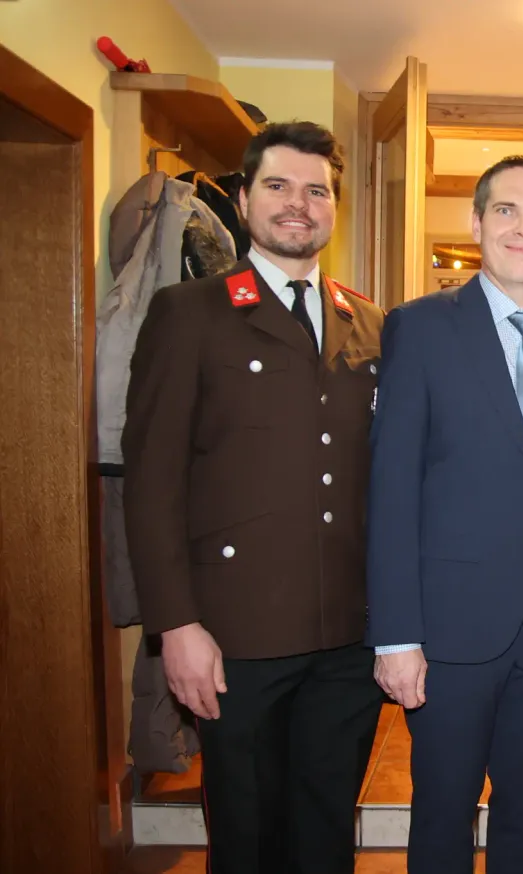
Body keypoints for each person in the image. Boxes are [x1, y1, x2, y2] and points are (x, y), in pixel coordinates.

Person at [122, 121, 385, 874]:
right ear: (242, 199)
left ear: (335, 207)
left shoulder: (366, 320)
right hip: (235, 637)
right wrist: (176, 625)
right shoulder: (191, 313)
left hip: (347, 635)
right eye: (278, 186)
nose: (298, 204)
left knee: (327, 826)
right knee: (246, 834)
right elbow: (153, 483)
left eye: (316, 190)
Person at [365, 156, 523, 873]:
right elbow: (392, 491)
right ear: (476, 224)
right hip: (448, 632)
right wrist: (395, 635)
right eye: (506, 210)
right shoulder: (417, 329)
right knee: (442, 811)